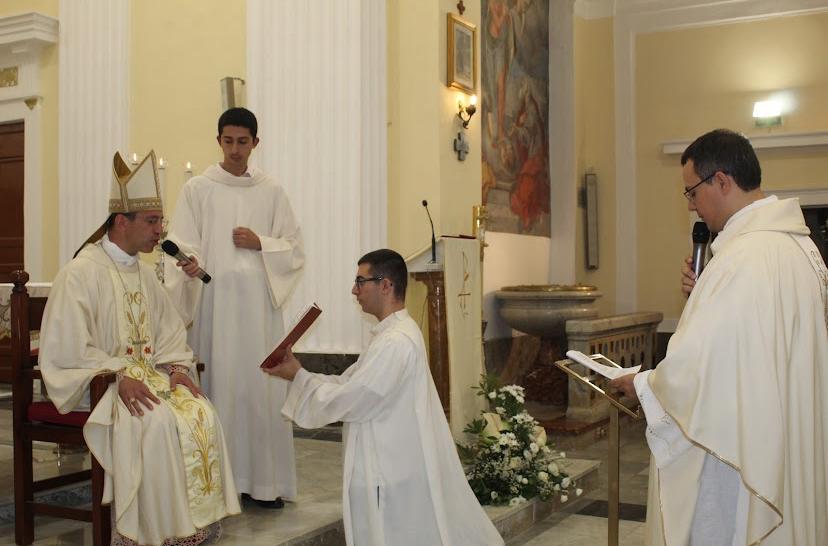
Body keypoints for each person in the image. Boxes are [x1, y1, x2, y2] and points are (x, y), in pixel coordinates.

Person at [611, 129, 828, 545]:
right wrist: (704, 294)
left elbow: (700, 368)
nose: (691, 205)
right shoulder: (798, 248)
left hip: (740, 451)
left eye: (691, 192)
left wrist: (642, 384)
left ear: (722, 181)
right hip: (785, 434)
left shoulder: (745, 258)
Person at [39, 151, 240, 546]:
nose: (160, 230)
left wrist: (180, 370)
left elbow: (168, 335)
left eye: (160, 221)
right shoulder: (80, 274)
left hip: (145, 379)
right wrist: (116, 375)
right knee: (156, 420)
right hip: (95, 385)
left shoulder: (145, 274)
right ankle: (149, 533)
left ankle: (190, 529)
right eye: (152, 221)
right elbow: (66, 347)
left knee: (200, 410)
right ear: (121, 222)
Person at [263, 249, 504, 546]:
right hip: (389, 461)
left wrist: (298, 377)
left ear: (386, 285)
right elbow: (350, 382)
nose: (354, 290)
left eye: (360, 281)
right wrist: (299, 373)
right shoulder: (390, 335)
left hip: (388, 469)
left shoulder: (396, 342)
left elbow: (354, 398)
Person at [164, 107, 304, 508]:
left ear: (256, 143)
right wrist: (188, 262)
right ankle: (216, 487)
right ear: (219, 141)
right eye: (228, 141)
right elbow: (183, 241)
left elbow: (294, 248)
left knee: (259, 390)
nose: (236, 149)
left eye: (243, 142)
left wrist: (262, 242)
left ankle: (263, 484)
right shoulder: (199, 189)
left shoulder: (271, 191)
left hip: (259, 312)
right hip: (216, 309)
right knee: (222, 384)